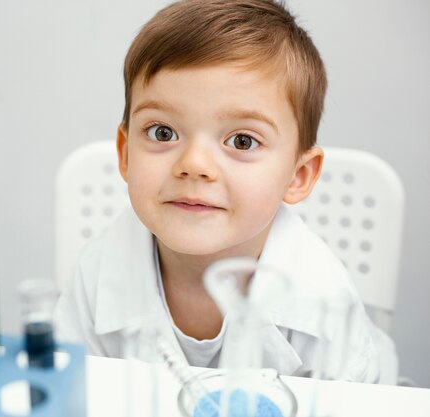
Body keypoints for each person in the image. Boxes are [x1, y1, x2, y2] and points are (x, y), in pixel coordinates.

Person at [55, 0, 393, 383]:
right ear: (126, 153)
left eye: (243, 141)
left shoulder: (324, 303)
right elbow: (71, 393)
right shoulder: (96, 274)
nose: (195, 164)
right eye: (162, 132)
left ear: (297, 176)